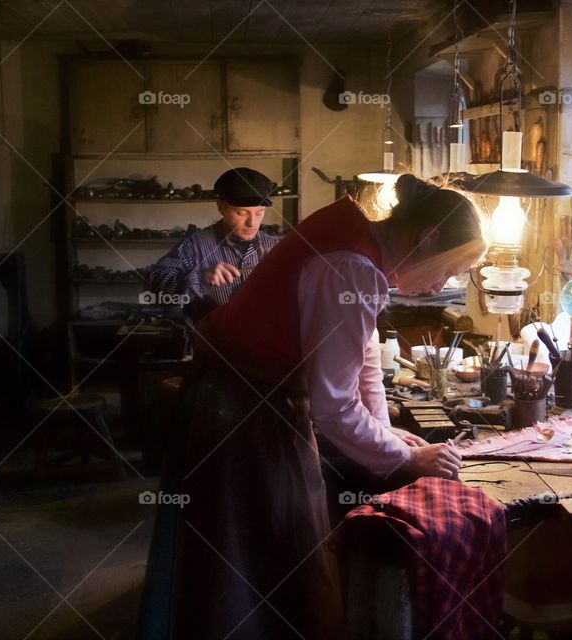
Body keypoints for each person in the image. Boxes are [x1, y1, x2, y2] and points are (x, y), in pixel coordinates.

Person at [139, 174, 486, 640]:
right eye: (448, 269)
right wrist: (404, 458)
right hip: (239, 408)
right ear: (427, 238)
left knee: (270, 550)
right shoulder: (352, 264)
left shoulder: (361, 243)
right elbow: (334, 407)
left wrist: (386, 432)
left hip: (246, 395)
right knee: (249, 557)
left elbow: (363, 355)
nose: (441, 284)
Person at [145, 167, 281, 318]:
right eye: (241, 213)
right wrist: (201, 278)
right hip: (209, 332)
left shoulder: (275, 246)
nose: (252, 223)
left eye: (259, 212)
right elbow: (152, 292)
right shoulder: (194, 245)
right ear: (221, 207)